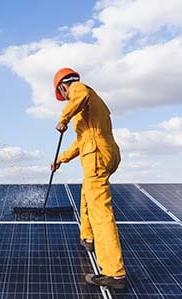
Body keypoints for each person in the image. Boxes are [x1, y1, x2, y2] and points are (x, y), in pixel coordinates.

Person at [50, 67, 127, 289]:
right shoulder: (93, 103)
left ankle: (115, 273)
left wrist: (64, 117)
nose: (65, 98)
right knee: (87, 195)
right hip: (106, 152)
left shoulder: (79, 89)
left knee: (100, 212)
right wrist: (61, 160)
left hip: (96, 156)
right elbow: (81, 141)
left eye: (63, 95)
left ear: (63, 87)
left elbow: (79, 95)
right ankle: (88, 238)